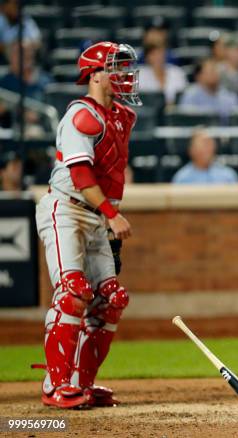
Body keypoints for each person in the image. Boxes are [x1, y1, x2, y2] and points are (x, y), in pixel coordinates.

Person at [34, 41, 140, 409]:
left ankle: (82, 382)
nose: (125, 76)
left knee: (112, 298)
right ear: (95, 76)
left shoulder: (122, 117)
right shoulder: (82, 115)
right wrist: (113, 216)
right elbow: (80, 173)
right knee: (74, 291)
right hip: (66, 208)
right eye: (116, 68)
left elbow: (110, 177)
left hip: (97, 216)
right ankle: (55, 385)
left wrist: (108, 216)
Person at [172, 128, 238, 185]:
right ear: (191, 150)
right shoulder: (182, 179)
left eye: (210, 143)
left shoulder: (228, 176)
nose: (207, 148)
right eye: (203, 143)